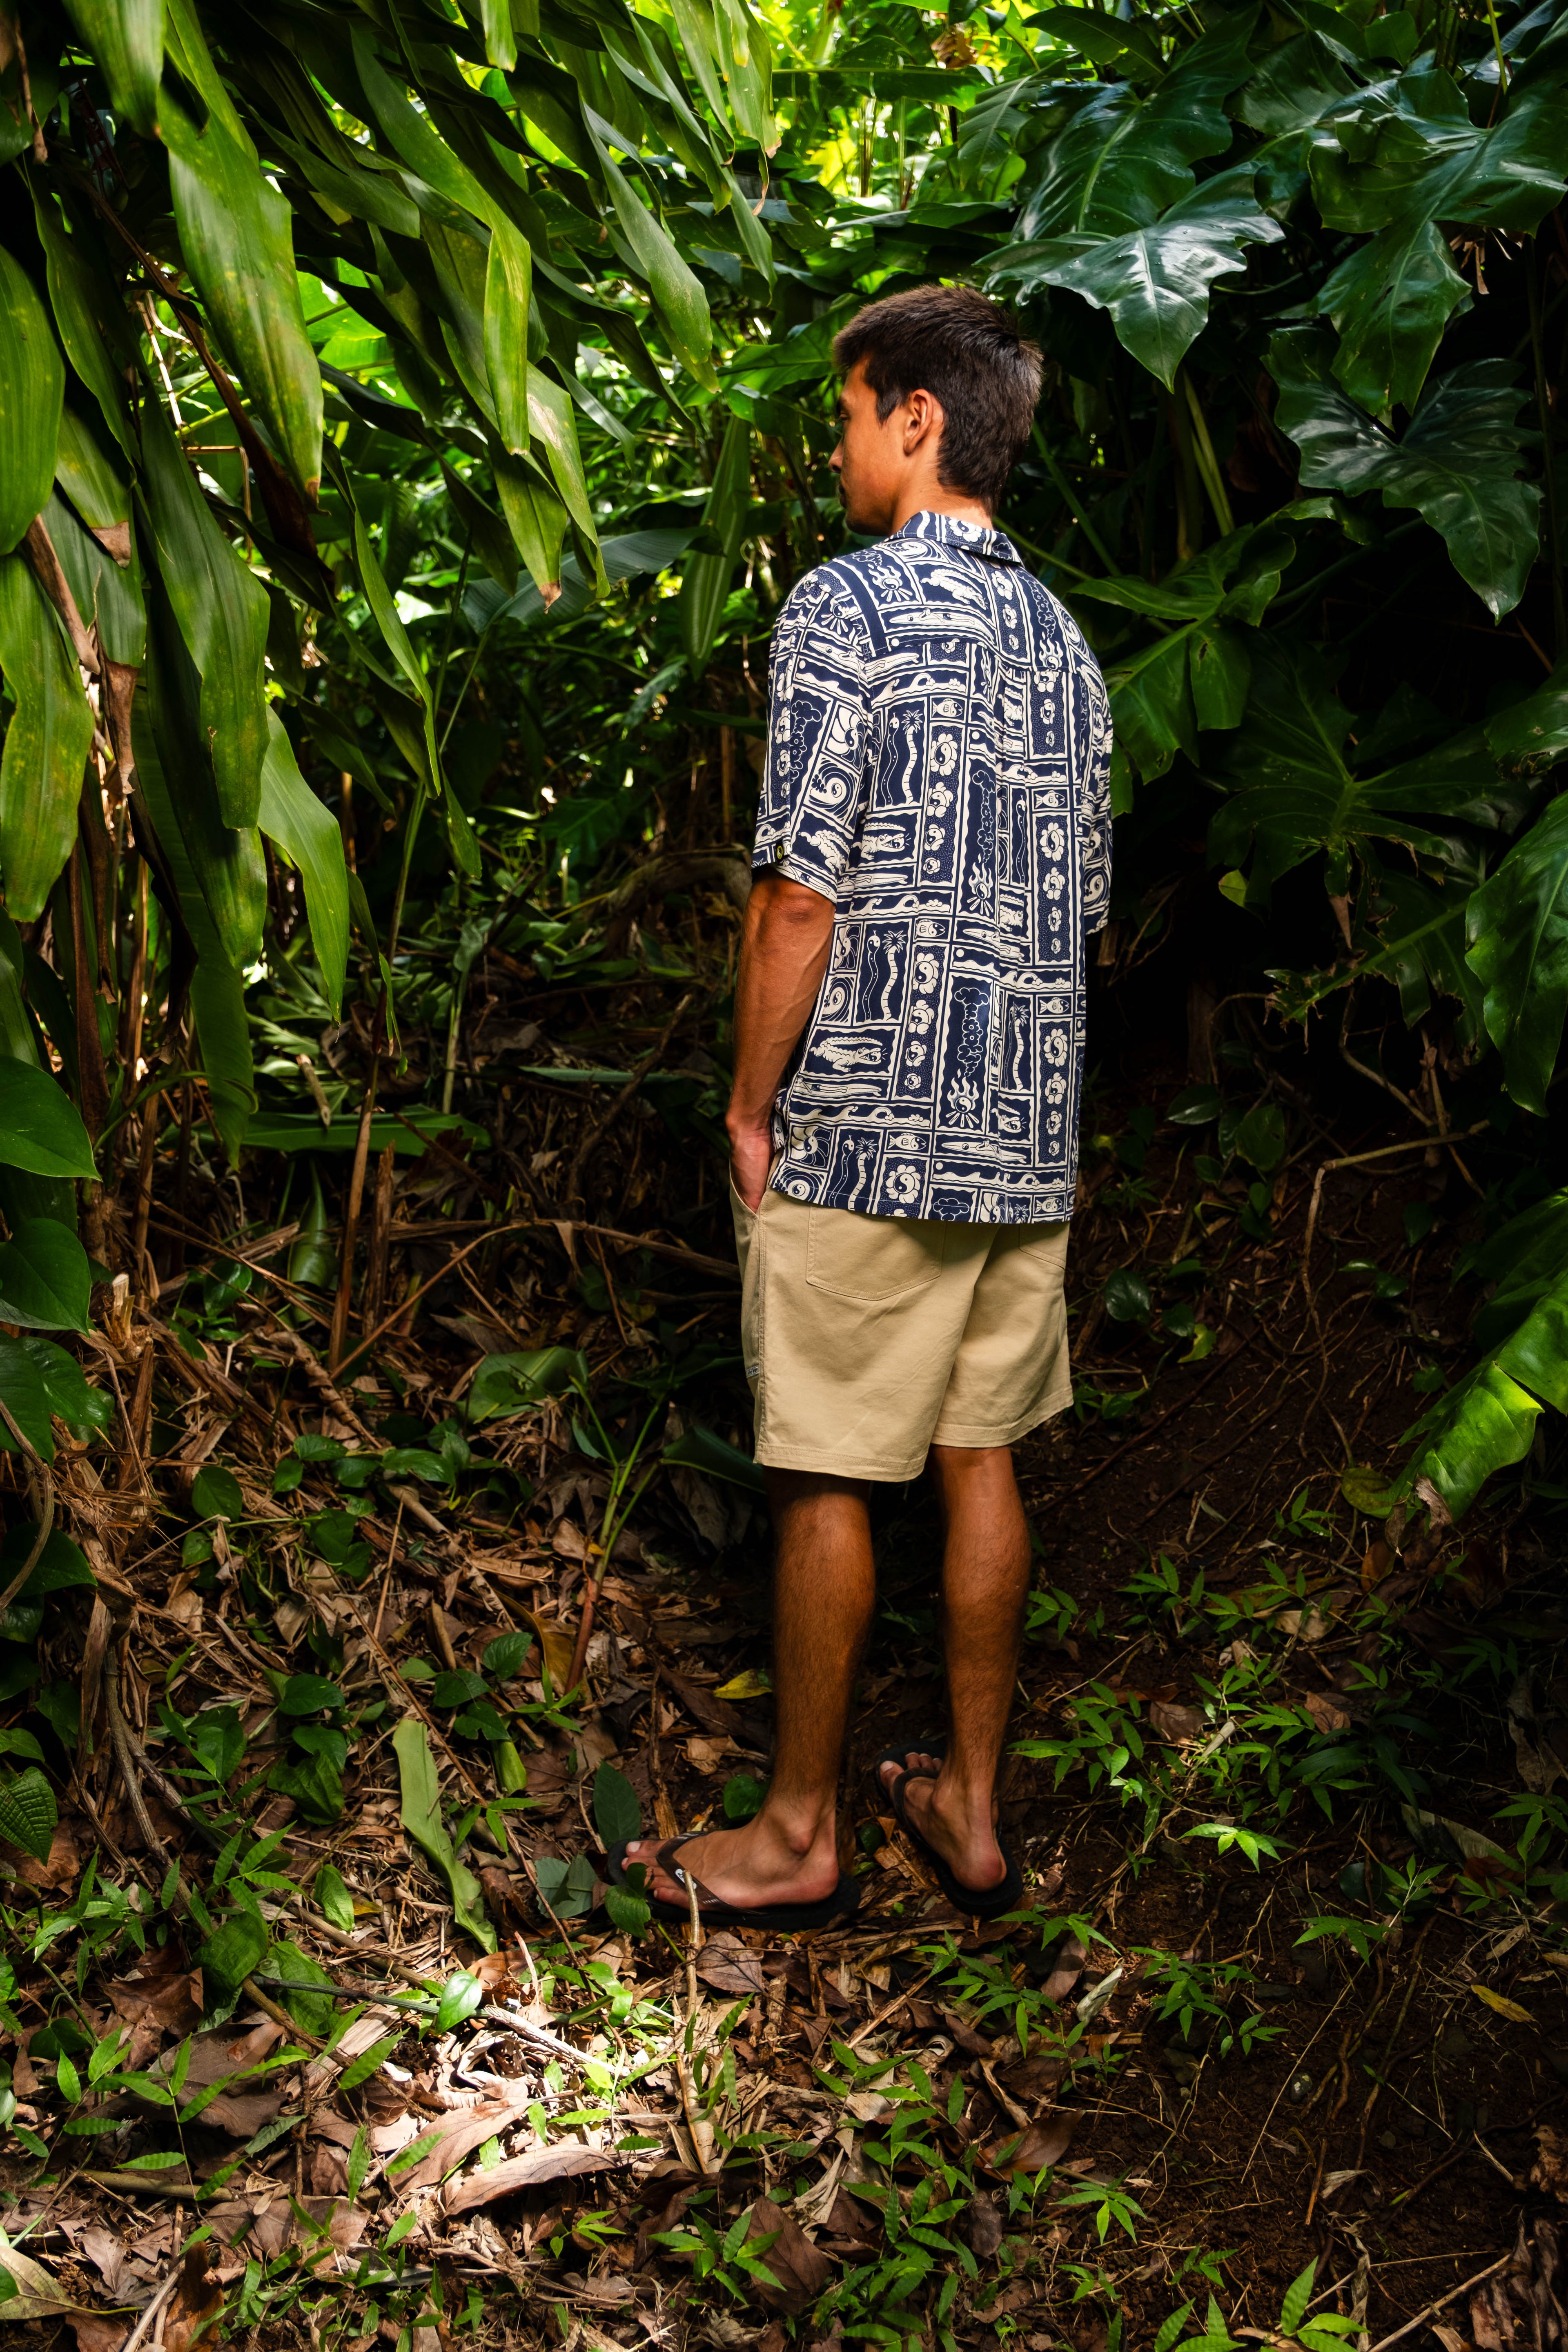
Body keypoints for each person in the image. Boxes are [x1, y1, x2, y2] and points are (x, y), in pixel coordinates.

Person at [611, 283, 1112, 1929]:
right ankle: (970, 1809)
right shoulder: (1069, 648)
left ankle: (798, 1833)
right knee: (982, 1457)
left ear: (916, 417)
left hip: (871, 1120)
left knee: (826, 1469)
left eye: (844, 418)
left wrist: (753, 1104)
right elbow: (1081, 913)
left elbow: (798, 895)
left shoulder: (848, 606)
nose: (834, 452)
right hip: (1021, 1132)